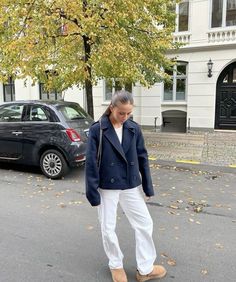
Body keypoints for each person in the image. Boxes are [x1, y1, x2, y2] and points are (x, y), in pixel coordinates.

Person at [85, 90, 166, 282]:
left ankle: (145, 268)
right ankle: (116, 265)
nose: (125, 117)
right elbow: (91, 162)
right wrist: (92, 192)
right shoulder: (98, 129)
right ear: (112, 108)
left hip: (130, 184)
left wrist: (147, 186)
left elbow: (142, 157)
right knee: (108, 226)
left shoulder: (133, 128)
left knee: (145, 223)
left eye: (129, 113)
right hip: (108, 185)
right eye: (121, 112)